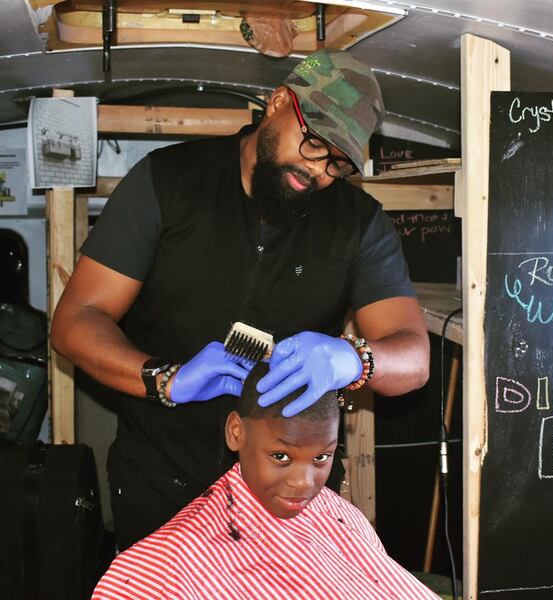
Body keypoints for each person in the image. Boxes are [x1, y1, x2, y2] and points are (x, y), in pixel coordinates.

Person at [50, 49, 430, 551]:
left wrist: (351, 358)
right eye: (314, 143)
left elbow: (414, 358)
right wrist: (166, 378)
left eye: (338, 162)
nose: (319, 171)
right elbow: (76, 320)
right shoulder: (167, 182)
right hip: (163, 483)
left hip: (291, 497)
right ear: (278, 103)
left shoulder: (357, 223)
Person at [91, 363, 439, 600]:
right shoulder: (163, 565)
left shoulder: (340, 518)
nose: (305, 483)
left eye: (321, 457)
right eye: (281, 456)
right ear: (236, 432)